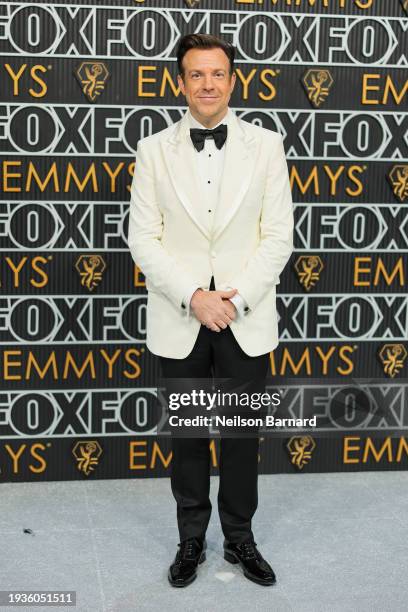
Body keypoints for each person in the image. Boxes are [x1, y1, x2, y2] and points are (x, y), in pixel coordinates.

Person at [128, 33, 294, 588]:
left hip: (246, 315)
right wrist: (194, 297)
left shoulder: (268, 146)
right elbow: (143, 239)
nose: (207, 84)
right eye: (196, 75)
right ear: (181, 82)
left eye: (217, 73)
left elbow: (278, 238)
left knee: (242, 435)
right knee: (190, 436)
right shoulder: (152, 150)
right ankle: (191, 539)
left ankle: (241, 539)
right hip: (182, 315)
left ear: (232, 79)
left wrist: (236, 298)